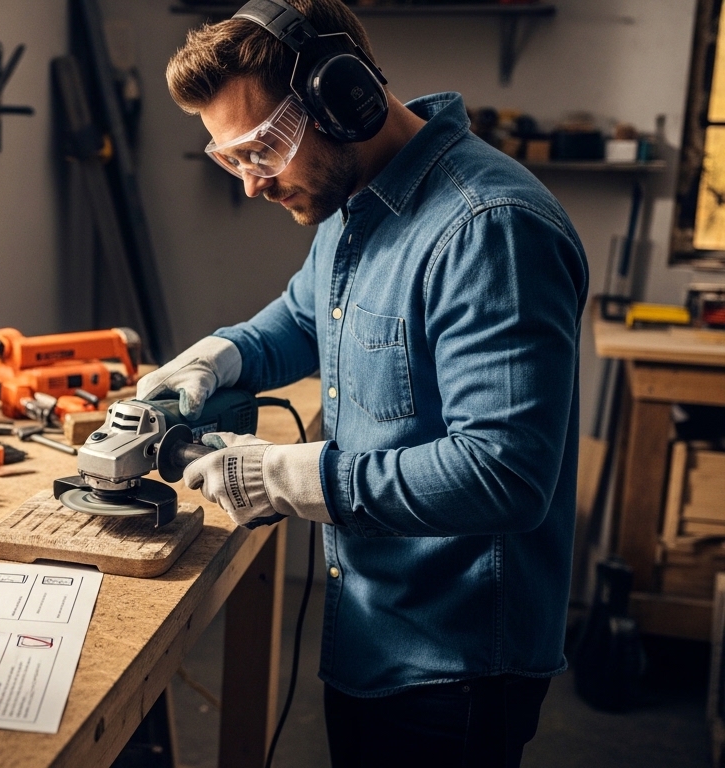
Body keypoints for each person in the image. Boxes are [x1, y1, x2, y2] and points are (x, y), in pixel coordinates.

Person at [139, 1, 588, 765]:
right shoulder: (354, 204)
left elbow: (504, 474)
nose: (252, 184)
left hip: (456, 665)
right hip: (374, 632)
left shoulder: (489, 229)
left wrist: (283, 476)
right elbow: (305, 318)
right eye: (231, 159)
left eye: (265, 149)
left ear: (343, 97)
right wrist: (221, 354)